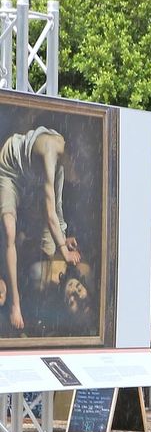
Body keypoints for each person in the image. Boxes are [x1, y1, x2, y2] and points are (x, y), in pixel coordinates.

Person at [0, 127, 80, 336]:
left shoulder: (59, 165)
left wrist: (62, 238)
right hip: (11, 171)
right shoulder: (50, 152)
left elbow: (58, 206)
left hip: (30, 177)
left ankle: (33, 313)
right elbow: (49, 210)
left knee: (48, 246)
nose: (77, 174)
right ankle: (15, 304)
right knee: (9, 230)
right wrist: (64, 251)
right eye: (77, 166)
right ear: (72, 155)